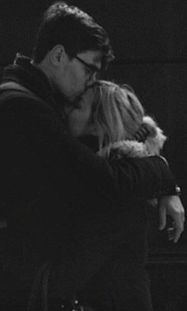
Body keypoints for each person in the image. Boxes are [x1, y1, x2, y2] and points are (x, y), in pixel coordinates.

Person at [0, 2, 184, 311]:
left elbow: (124, 146)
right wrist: (162, 174)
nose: (91, 80)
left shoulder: (25, 97)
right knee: (123, 207)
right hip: (7, 280)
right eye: (89, 68)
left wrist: (160, 174)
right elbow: (107, 182)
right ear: (59, 55)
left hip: (21, 270)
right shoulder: (23, 107)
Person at [66, 80, 171, 310]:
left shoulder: (113, 182)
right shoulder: (131, 175)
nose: (66, 109)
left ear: (98, 125)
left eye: (76, 105)